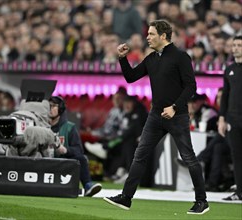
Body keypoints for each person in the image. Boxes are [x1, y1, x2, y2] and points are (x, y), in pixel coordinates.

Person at [103, 20, 209, 215]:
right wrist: (122, 58)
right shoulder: (152, 58)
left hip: (177, 116)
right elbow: (131, 77)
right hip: (155, 115)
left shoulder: (180, 57)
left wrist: (175, 107)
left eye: (151, 34)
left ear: (163, 36)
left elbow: (191, 86)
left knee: (189, 158)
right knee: (140, 154)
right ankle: (126, 198)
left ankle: (202, 201)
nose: (147, 37)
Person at [49, 96, 102, 197]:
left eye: (53, 106)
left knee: (82, 158)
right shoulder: (40, 126)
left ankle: (87, 185)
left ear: (61, 108)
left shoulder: (69, 127)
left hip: (62, 161)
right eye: (48, 106)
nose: (50, 108)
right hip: (44, 160)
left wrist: (65, 150)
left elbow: (78, 150)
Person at [218, 35, 242, 201]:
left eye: (239, 45)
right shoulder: (229, 70)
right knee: (236, 155)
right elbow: (225, 96)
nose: (235, 48)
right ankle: (239, 191)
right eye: (234, 45)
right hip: (233, 118)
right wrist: (221, 118)